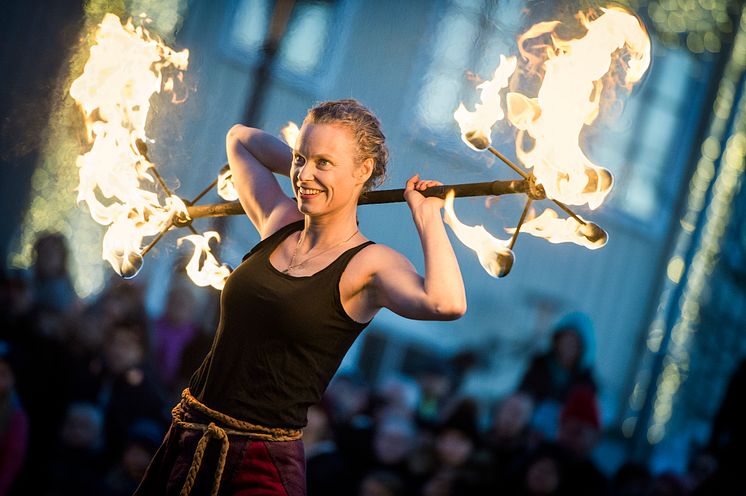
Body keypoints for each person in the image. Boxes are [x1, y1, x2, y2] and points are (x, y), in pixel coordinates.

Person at [135, 99, 466, 496]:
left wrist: (428, 218)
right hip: (190, 441)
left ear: (363, 170)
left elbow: (447, 303)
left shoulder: (369, 265)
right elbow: (240, 139)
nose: (303, 174)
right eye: (299, 158)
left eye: (324, 162)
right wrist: (312, 172)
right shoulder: (280, 222)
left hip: (260, 466)